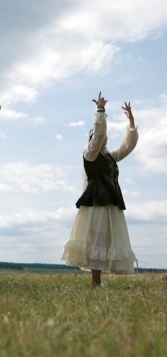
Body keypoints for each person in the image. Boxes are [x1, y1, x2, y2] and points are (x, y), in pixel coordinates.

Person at [61, 92, 138, 286]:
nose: (103, 139)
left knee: (106, 241)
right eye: (98, 137)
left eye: (105, 137)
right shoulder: (90, 155)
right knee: (97, 241)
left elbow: (126, 148)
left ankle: (99, 282)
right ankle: (96, 283)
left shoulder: (110, 157)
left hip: (110, 203)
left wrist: (131, 125)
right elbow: (98, 135)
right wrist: (100, 112)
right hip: (96, 203)